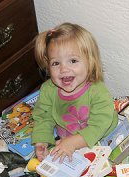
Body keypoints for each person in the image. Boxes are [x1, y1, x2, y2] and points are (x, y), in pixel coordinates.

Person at [32, 22, 118, 162]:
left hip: (102, 135)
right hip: (66, 139)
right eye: (56, 63)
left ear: (90, 62)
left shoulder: (98, 91)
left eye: (72, 61)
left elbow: (99, 125)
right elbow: (43, 117)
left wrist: (73, 142)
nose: (64, 69)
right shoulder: (48, 90)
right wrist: (41, 140)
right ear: (48, 66)